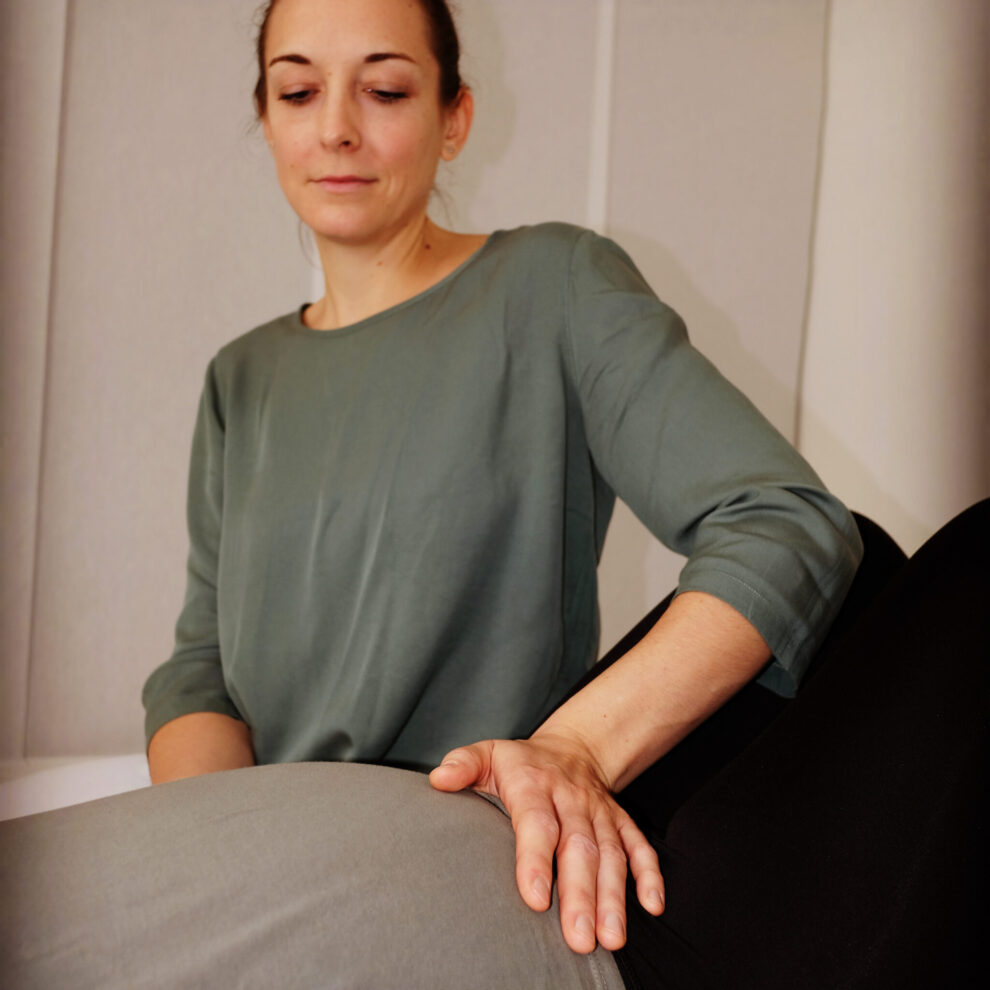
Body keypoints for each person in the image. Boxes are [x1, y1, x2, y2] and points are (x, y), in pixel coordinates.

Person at [138, 0, 872, 982]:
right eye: (299, 91)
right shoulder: (242, 378)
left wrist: (576, 751)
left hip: (465, 861)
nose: (336, 128)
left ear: (455, 119)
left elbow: (787, 527)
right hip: (271, 872)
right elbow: (200, 671)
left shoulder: (552, 284)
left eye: (385, 89)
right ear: (266, 119)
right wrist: (220, 856)